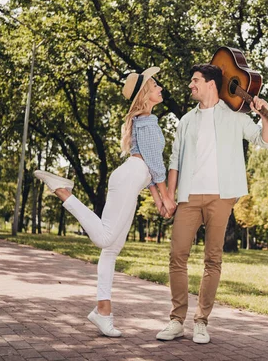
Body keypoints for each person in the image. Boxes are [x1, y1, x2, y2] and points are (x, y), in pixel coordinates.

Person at [34, 67, 176, 337]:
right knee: (104, 240)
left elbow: (149, 166)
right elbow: (156, 166)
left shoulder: (145, 120)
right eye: (155, 86)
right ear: (146, 93)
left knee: (110, 249)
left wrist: (159, 199)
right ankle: (65, 193)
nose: (160, 89)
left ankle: (103, 312)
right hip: (130, 178)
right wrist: (167, 197)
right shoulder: (147, 122)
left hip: (130, 179)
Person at [156, 64, 268, 344]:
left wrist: (264, 116)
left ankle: (201, 321)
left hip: (221, 197)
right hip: (189, 196)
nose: (191, 85)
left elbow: (265, 140)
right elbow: (174, 161)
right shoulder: (186, 120)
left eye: (195, 80)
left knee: (213, 259)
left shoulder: (235, 117)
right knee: (177, 255)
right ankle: (176, 320)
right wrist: (170, 196)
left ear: (211, 84)